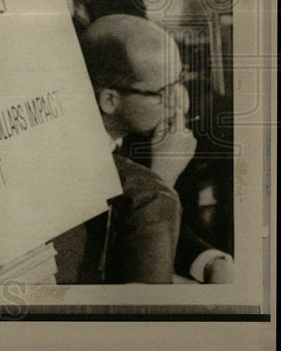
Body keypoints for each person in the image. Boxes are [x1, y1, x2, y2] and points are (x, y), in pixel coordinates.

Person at [53, 14, 232, 283]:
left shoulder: (134, 134)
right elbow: (112, 266)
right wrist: (161, 181)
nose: (179, 102)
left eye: (179, 81)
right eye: (163, 92)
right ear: (110, 100)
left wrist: (209, 260)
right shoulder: (69, 162)